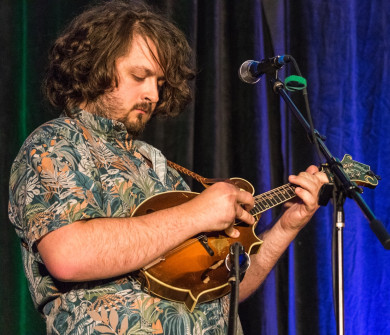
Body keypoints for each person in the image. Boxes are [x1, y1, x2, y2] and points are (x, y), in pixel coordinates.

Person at [8, 1, 328, 334]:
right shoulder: (57, 143)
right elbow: (68, 255)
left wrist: (287, 226)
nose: (152, 94)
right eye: (139, 76)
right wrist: (197, 213)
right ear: (95, 66)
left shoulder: (157, 164)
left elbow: (218, 292)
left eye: (159, 82)